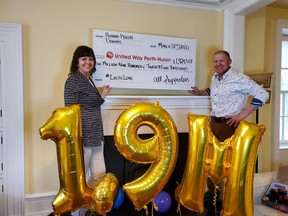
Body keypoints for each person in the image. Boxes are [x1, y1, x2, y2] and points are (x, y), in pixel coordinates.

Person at [191, 50, 269, 215]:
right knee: (211, 162)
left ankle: (229, 204)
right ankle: (213, 199)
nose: (218, 64)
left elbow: (263, 94)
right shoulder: (215, 78)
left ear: (229, 61)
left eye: (222, 61)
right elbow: (213, 91)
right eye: (215, 61)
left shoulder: (239, 78)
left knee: (228, 165)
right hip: (213, 124)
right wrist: (200, 93)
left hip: (229, 126)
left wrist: (241, 115)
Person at [64, 45, 112, 216]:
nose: (88, 62)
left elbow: (92, 104)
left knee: (99, 173)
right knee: (79, 179)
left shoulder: (89, 80)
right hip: (83, 136)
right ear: (77, 62)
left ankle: (85, 208)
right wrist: (76, 135)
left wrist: (103, 95)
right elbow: (70, 110)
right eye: (84, 58)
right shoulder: (73, 80)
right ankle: (77, 212)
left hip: (96, 134)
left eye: (90, 59)